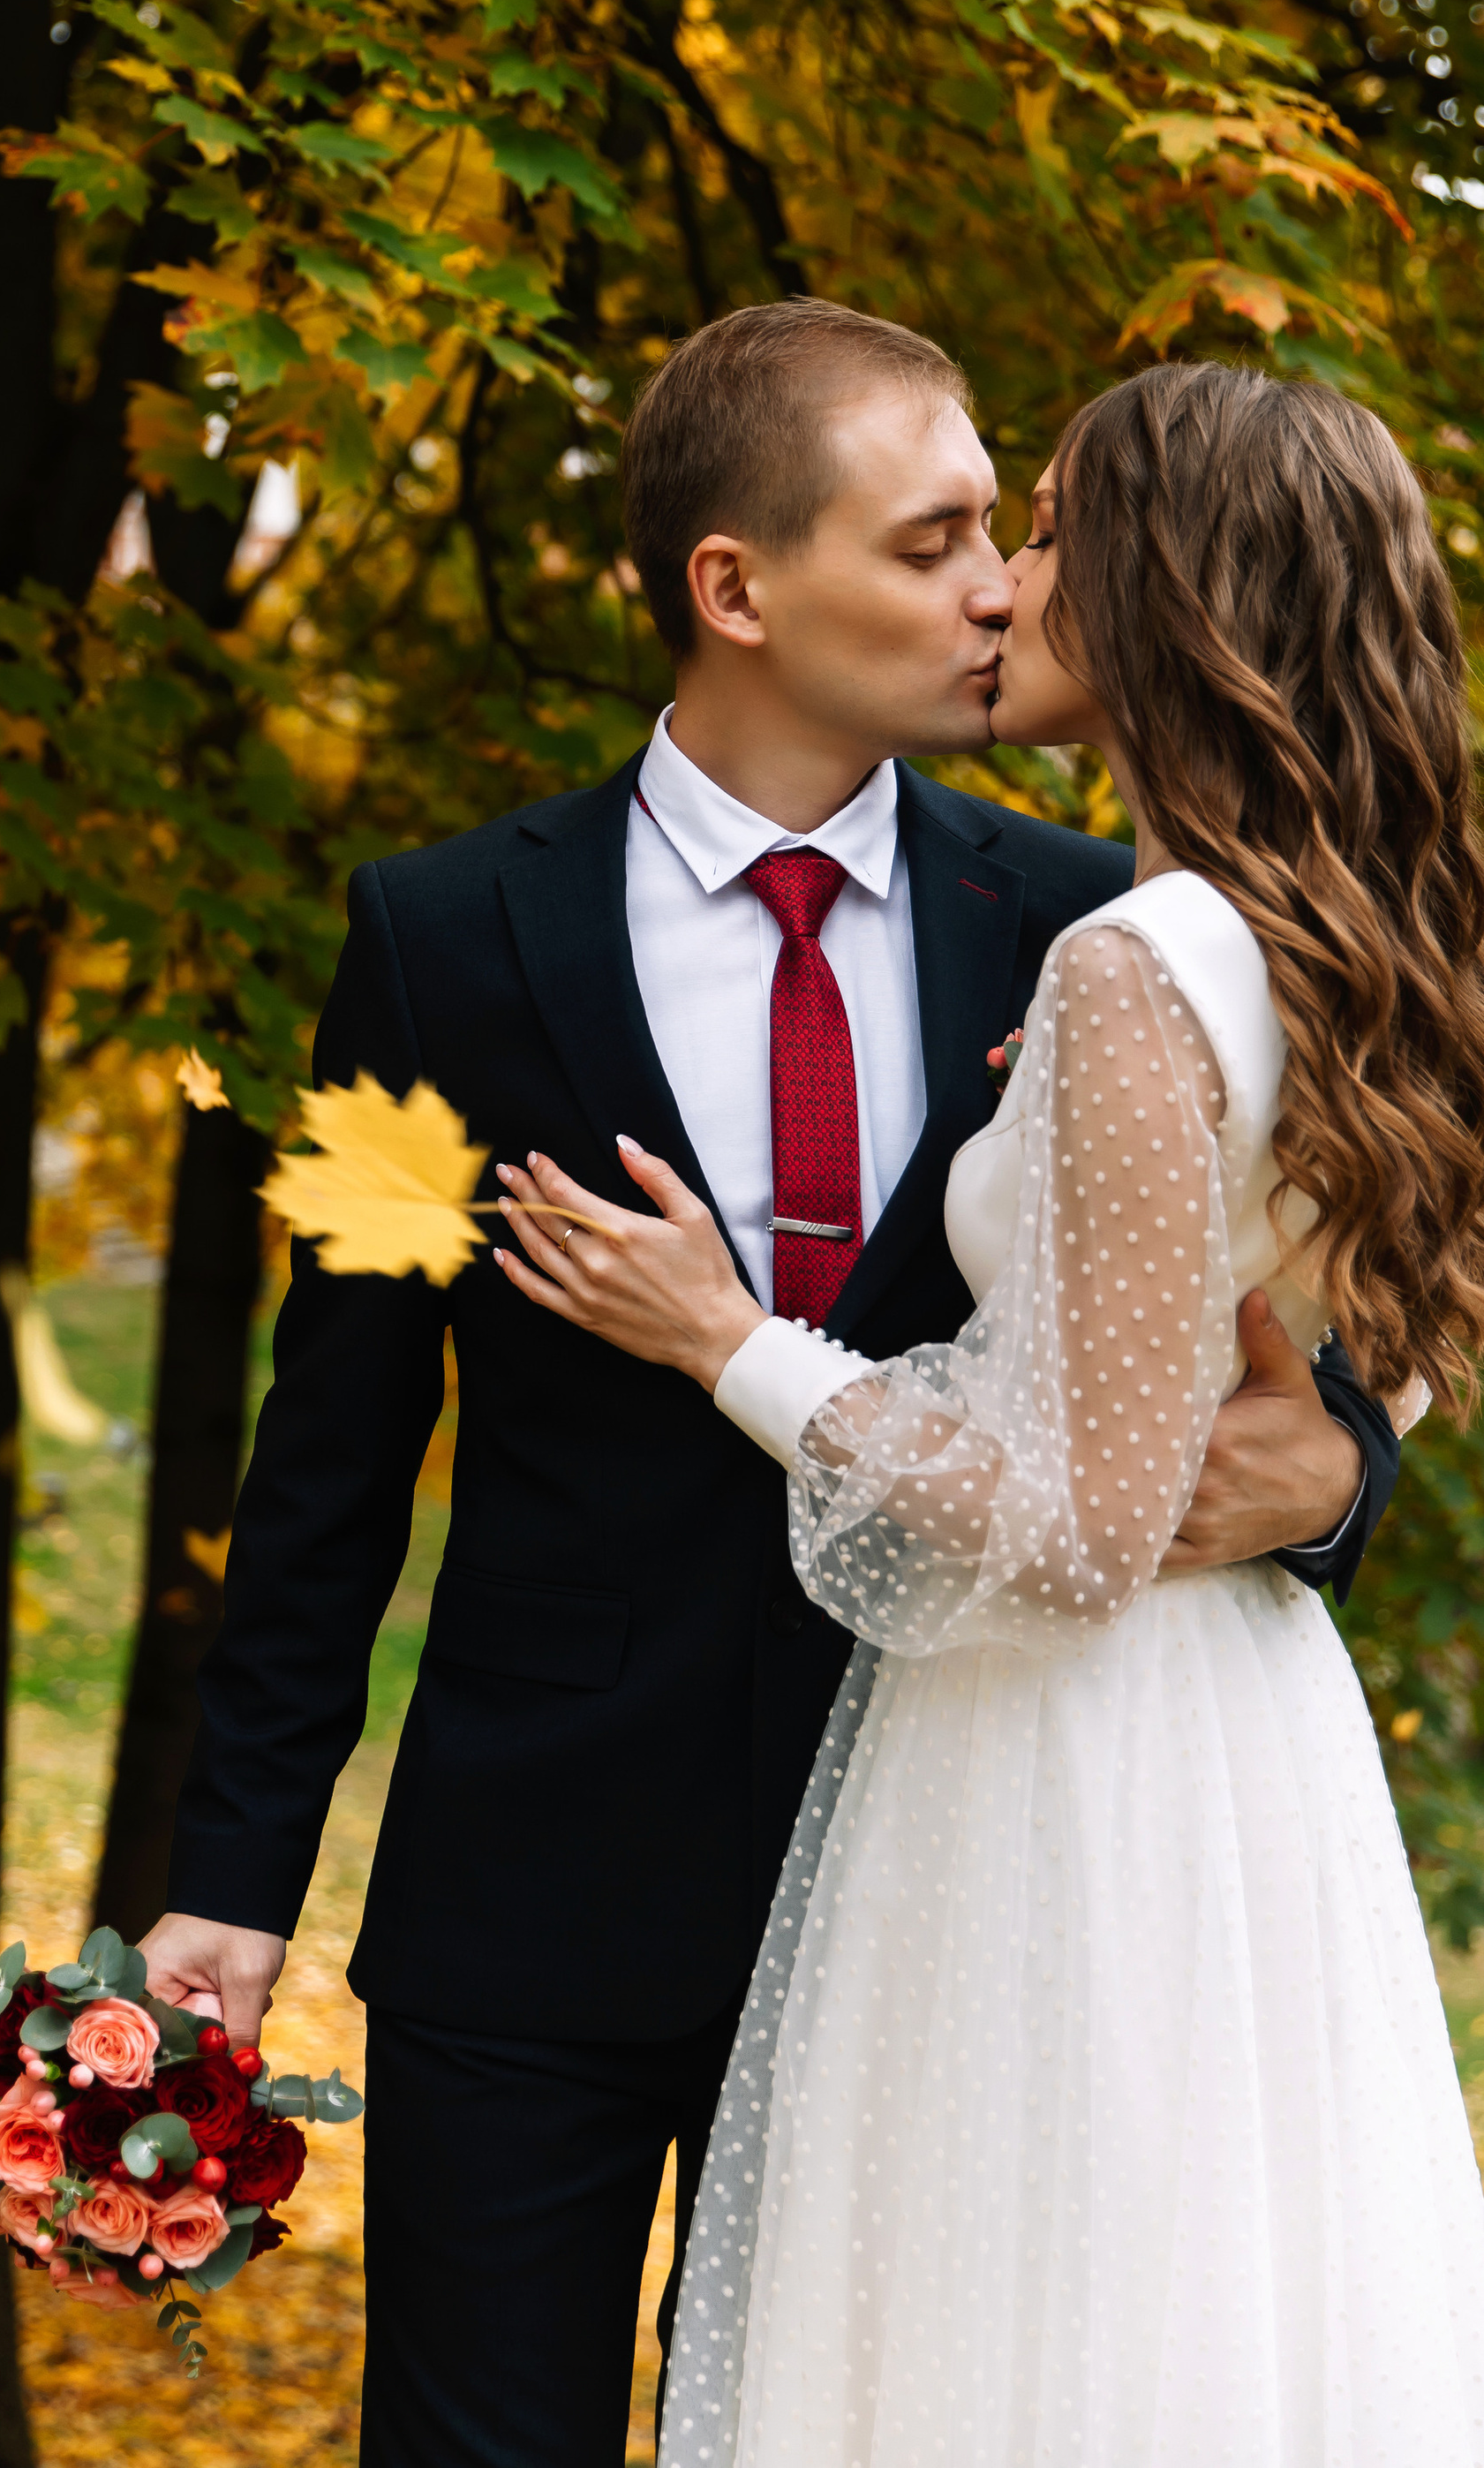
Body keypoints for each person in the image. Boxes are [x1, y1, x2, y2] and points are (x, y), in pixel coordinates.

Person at [139, 304, 1398, 2467]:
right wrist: (228, 1881)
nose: (996, 586)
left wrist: (1327, 1492)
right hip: (530, 1910)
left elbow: (1283, 1353)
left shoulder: (1097, 916)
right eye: (932, 545)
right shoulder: (432, 937)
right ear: (734, 586)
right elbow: (328, 1444)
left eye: (1001, 535)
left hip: (955, 1883)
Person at [500, 357, 1484, 2464]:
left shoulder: (1132, 964)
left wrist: (722, 1341)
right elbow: (1382, 1332)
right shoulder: (1337, 944)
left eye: (1039, 532)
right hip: (1242, 1755)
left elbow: (1072, 1529)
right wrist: (1327, 1428)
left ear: (1161, 594)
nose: (1004, 584)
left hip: (1065, 1770)